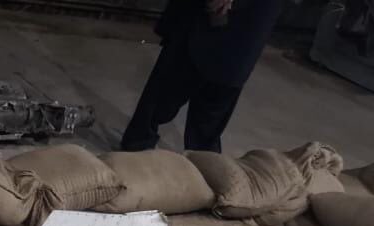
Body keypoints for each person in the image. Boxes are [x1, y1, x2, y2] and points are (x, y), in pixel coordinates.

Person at [120, 0, 286, 153]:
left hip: (245, 24)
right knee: (166, 93)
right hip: (202, 21)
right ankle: (137, 148)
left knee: (211, 111)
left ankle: (202, 160)